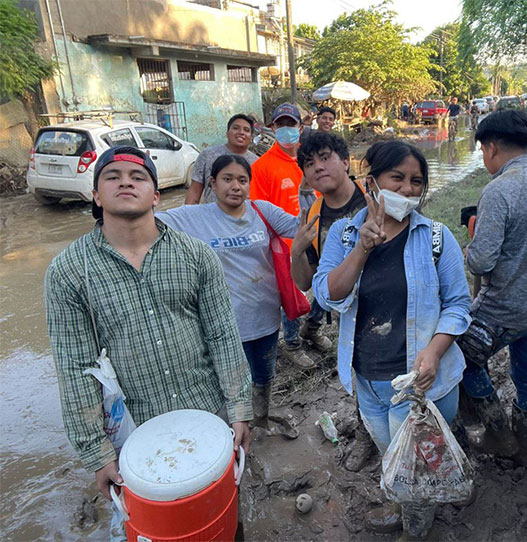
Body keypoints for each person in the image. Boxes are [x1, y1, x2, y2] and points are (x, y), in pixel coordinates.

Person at [44, 146, 252, 541]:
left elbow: (223, 335)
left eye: (138, 177)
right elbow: (75, 368)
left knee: (223, 519)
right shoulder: (69, 273)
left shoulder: (196, 256)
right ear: (96, 195)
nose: (126, 182)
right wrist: (97, 453)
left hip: (207, 415)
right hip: (133, 437)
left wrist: (240, 409)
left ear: (156, 196)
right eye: (113, 176)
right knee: (153, 531)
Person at [313, 140, 471, 539]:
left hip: (421, 386)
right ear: (371, 182)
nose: (407, 189)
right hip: (367, 381)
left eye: (416, 181)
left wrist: (434, 351)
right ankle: (406, 507)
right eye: (396, 178)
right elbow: (328, 295)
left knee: (417, 470)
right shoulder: (344, 236)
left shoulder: (437, 239)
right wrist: (362, 249)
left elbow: (458, 305)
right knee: (393, 457)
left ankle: (416, 530)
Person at [156, 154, 300, 436]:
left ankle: (260, 420)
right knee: (232, 383)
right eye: (227, 179)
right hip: (224, 325)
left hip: (266, 316)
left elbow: (302, 227)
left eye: (242, 180)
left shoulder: (261, 211)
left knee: (264, 375)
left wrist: (313, 192)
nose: (236, 186)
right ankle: (234, 433)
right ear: (212, 183)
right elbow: (148, 224)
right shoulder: (194, 217)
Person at [458, 109, 527, 468]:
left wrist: (471, 249)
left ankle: (499, 433)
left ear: (491, 147)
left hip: (505, 310)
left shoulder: (499, 189)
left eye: (482, 151)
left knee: (462, 358)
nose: (483, 158)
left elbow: (481, 263)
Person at [290, 131, 375, 471]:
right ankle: (367, 434)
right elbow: (305, 282)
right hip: (348, 312)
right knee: (360, 373)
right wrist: (297, 250)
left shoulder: (374, 199)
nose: (318, 167)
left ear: (345, 161)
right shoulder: (313, 214)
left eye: (325, 158)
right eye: (309, 164)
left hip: (394, 303)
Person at [250, 102, 314, 369]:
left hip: (315, 236)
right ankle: (291, 342)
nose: (286, 129)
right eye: (281, 124)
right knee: (289, 294)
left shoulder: (310, 161)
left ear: (301, 127)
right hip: (283, 245)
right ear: (273, 128)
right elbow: (257, 209)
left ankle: (312, 330)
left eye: (291, 124)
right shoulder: (262, 167)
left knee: (318, 289)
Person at [185, 113, 258, 204]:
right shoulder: (207, 155)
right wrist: (189, 212)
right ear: (227, 133)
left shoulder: (257, 163)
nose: (241, 132)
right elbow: (194, 191)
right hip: (212, 212)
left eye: (246, 130)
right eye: (236, 128)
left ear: (251, 137)